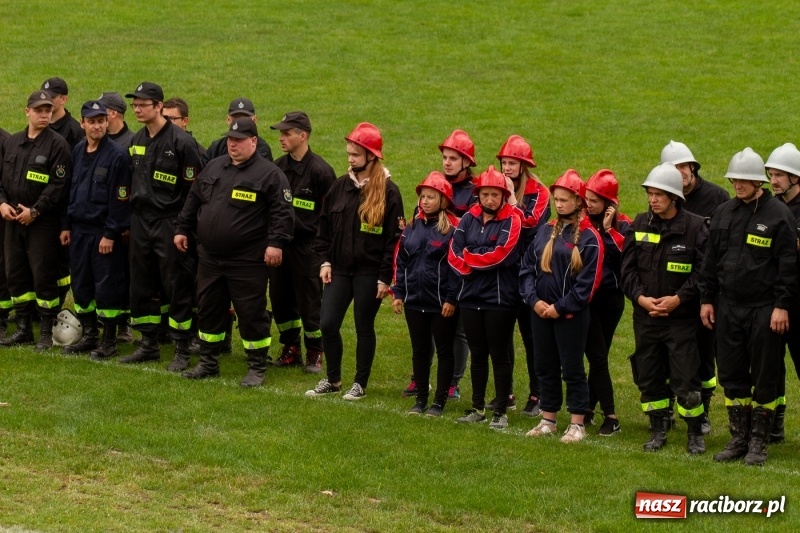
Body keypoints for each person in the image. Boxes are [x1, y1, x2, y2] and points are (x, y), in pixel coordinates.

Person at [175, 117, 294, 386]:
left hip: (247, 260)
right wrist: (182, 228)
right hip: (210, 257)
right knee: (209, 309)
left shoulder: (270, 174)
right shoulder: (215, 166)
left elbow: (283, 212)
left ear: (253, 141)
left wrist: (276, 243)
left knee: (251, 312)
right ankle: (209, 362)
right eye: (230, 139)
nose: (233, 144)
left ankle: (256, 366)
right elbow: (194, 199)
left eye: (239, 140)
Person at [701, 148, 797, 466]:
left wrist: (782, 306)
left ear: (758, 182)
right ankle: (738, 438)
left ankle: (759, 442)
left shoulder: (778, 215)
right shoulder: (723, 213)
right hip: (728, 307)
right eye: (734, 179)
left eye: (744, 180)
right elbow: (710, 262)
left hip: (764, 308)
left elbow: (787, 265)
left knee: (766, 374)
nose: (738, 185)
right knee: (732, 374)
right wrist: (706, 299)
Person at [305, 122, 404, 400]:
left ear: (371, 156)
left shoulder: (389, 192)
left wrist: (385, 277)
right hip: (338, 269)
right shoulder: (339, 187)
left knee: (363, 326)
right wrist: (325, 261)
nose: (350, 159)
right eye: (349, 153)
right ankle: (333, 379)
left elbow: (394, 240)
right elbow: (323, 228)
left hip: (369, 273)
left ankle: (360, 383)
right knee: (328, 324)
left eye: (356, 154)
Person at [620, 163, 707, 454]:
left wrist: (679, 299)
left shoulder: (695, 228)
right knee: (649, 375)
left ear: (674, 197)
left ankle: (695, 433)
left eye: (659, 194)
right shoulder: (640, 224)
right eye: (650, 194)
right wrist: (640, 299)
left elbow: (703, 273)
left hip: (680, 319)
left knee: (687, 379)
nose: (653, 199)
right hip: (646, 318)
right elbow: (627, 271)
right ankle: (658, 429)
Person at [118, 82, 203, 369]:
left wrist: (183, 228)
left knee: (176, 284)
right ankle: (148, 343)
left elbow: (193, 191)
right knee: (141, 282)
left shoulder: (182, 143)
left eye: (143, 104)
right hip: (141, 221)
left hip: (170, 221)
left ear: (159, 106)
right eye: (135, 105)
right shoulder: (136, 140)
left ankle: (181, 348)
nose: (137, 110)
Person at [521, 170, 602, 443]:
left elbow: (587, 285)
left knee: (572, 368)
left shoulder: (589, 238)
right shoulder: (545, 231)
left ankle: (577, 423)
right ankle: (549, 419)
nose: (559, 204)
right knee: (544, 366)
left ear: (579, 201)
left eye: (565, 200)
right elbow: (527, 269)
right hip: (540, 312)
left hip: (570, 316)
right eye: (556, 199)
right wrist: (534, 301)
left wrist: (559, 307)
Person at [401, 130, 477, 400]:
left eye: (453, 158)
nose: (447, 162)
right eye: (445, 157)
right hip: (428, 272)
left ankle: (453, 381)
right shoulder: (434, 185)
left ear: (466, 161)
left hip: (459, 269)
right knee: (425, 330)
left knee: (457, 331)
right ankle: (419, 378)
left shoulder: (474, 192)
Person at [661, 140, 729, 433]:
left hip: (705, 290)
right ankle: (669, 409)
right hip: (673, 289)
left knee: (703, 352)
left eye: (683, 166)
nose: (680, 172)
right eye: (673, 168)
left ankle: (703, 412)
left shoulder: (717, 197)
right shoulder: (664, 197)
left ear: (692, 167)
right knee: (669, 352)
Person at [449, 165, 522, 430]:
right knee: (478, 354)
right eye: (485, 194)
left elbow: (501, 255)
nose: (489, 200)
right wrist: (475, 258)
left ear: (504, 196)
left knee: (499, 355)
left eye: (495, 195)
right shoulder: (468, 218)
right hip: (470, 297)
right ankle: (477, 407)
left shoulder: (513, 219)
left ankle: (500, 411)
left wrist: (470, 256)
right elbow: (453, 254)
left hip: (499, 300)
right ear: (478, 195)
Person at [0, 91, 71, 349]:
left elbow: (58, 185)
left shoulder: (58, 145)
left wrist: (35, 211)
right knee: (15, 273)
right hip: (12, 221)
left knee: (43, 275)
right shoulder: (13, 142)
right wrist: (1, 203)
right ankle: (23, 328)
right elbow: (1, 179)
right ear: (27, 111)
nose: (44, 115)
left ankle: (44, 330)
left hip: (41, 223)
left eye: (48, 110)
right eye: (39, 110)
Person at [62, 101, 132, 359]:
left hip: (103, 233)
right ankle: (90, 334)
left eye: (101, 121)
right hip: (79, 232)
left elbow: (120, 200)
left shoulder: (117, 156)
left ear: (107, 122)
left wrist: (110, 234)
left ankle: (109, 340)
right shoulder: (78, 150)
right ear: (83, 124)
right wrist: (66, 226)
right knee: (81, 284)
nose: (97, 126)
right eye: (91, 121)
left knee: (107, 286)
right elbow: (70, 191)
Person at [268, 111, 336, 372]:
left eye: (286, 133)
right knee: (280, 298)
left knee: (309, 302)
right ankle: (291, 347)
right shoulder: (277, 168)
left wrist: (325, 252)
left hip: (308, 249)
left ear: (303, 136)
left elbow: (331, 216)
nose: (281, 138)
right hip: (281, 246)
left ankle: (315, 351)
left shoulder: (321, 172)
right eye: (281, 133)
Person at [392, 172, 460, 416]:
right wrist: (398, 292)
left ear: (443, 200)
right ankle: (421, 399)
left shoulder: (453, 229)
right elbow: (401, 261)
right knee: (419, 351)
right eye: (423, 197)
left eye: (431, 197)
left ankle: (439, 402)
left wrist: (451, 298)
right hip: (414, 301)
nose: (425, 201)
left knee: (444, 351)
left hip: (441, 303)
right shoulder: (411, 227)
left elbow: (457, 268)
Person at [496, 134, 550, 417]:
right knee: (502, 336)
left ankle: (537, 394)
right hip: (504, 274)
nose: (506, 168)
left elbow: (529, 224)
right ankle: (505, 393)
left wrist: (512, 198)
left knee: (532, 338)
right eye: (504, 163)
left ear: (523, 166)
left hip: (530, 276)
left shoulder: (540, 193)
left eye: (512, 163)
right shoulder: (497, 187)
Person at [583, 169, 631, 435]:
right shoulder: (582, 221)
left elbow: (625, 257)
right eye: (587, 199)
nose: (589, 204)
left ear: (609, 203)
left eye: (595, 200)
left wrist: (609, 230)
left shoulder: (624, 225)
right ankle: (603, 413)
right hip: (586, 298)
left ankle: (598, 412)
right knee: (597, 355)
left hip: (611, 300)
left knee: (598, 356)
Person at [765, 142, 800, 443]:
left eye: (779, 175)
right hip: (772, 302)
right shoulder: (770, 208)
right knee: (772, 367)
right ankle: (774, 425)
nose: (773, 181)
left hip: (797, 302)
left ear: (795, 177)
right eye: (771, 175)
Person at [207, 97, 273, 162]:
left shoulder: (262, 149)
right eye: (236, 118)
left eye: (245, 118)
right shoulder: (216, 147)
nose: (239, 122)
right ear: (228, 120)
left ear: (254, 120)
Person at [41, 77, 83, 149]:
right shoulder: (38, 124)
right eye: (44, 97)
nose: (46, 101)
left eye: (52, 97)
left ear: (63, 99)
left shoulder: (74, 132)